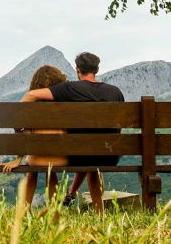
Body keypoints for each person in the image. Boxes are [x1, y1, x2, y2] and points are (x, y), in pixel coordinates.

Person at [19, 52, 125, 214]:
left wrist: (17, 123)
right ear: (97, 68)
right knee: (92, 159)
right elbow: (120, 126)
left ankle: (68, 197)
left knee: (87, 153)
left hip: (79, 154)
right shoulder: (115, 92)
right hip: (110, 155)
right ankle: (98, 212)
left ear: (77, 69)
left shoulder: (70, 89)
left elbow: (32, 94)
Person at [0, 65, 69, 208]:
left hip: (37, 159)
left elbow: (26, 137)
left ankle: (25, 208)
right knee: (51, 172)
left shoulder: (31, 109)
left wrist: (18, 160)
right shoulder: (66, 107)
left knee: (31, 169)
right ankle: (54, 209)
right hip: (61, 159)